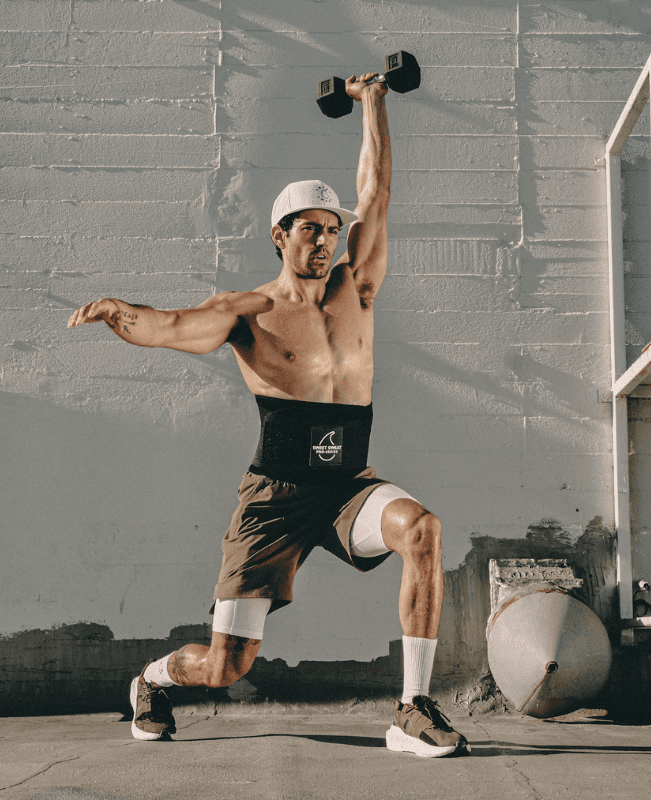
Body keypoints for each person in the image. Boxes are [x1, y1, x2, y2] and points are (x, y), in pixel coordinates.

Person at [68, 73, 469, 758]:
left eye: (332, 230)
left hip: (347, 485)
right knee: (229, 665)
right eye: (309, 229)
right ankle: (151, 681)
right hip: (274, 500)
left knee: (422, 528)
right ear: (279, 236)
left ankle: (411, 709)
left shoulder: (358, 289)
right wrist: (119, 313)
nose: (323, 240)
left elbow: (376, 192)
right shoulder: (246, 310)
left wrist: (372, 103)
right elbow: (171, 325)